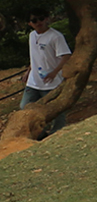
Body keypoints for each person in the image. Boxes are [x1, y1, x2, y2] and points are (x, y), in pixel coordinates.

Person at [19, 9, 69, 137]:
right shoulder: (31, 36)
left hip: (52, 82)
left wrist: (54, 72)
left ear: (47, 18)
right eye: (34, 20)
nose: (38, 22)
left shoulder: (56, 36)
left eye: (41, 19)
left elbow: (65, 56)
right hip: (34, 81)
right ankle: (40, 134)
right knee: (25, 106)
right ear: (30, 23)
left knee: (57, 110)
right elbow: (35, 57)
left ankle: (57, 133)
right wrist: (28, 71)